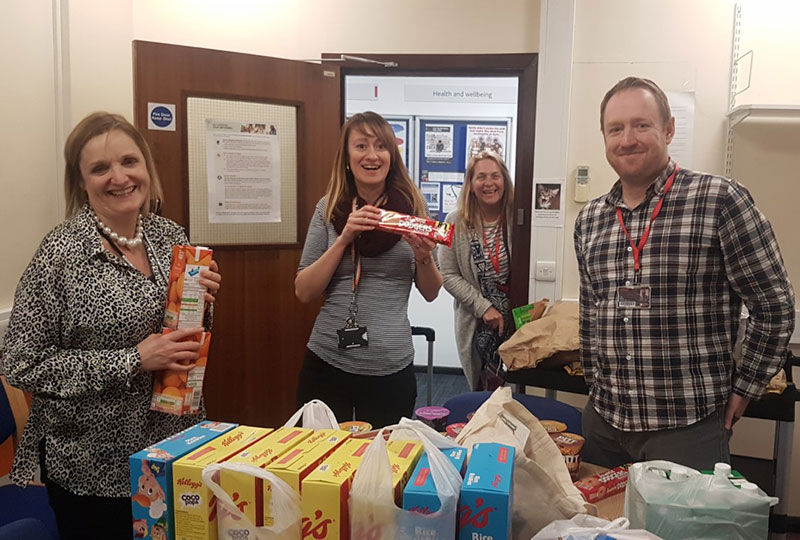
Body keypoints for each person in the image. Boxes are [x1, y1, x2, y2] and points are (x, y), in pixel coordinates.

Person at [0, 112, 222, 540]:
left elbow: (180, 330)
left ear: (147, 168)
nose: (119, 177)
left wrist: (203, 299)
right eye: (100, 168)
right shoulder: (61, 254)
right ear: (81, 181)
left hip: (172, 448)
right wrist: (133, 359)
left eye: (129, 161)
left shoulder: (167, 234)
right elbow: (22, 365)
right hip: (94, 469)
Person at [574, 77, 795, 470]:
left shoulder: (719, 200)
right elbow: (590, 315)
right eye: (616, 128)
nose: (627, 139)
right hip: (604, 426)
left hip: (687, 429)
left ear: (669, 129)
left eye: (641, 125)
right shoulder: (591, 219)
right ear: (605, 137)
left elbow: (774, 306)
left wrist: (745, 388)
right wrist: (594, 385)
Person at [294, 111, 442, 428]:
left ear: (392, 156)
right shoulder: (329, 207)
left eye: (381, 146)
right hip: (328, 361)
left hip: (392, 366)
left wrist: (424, 258)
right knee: (320, 462)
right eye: (361, 146)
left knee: (383, 469)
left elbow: (431, 292)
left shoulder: (413, 210)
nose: (372, 155)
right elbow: (304, 291)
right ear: (347, 158)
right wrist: (344, 238)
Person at [440, 151, 515, 390]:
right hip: (475, 321)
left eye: (495, 176)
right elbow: (447, 274)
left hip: (515, 320)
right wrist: (484, 308)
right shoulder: (453, 220)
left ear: (505, 180)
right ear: (470, 184)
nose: (489, 183)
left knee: (515, 392)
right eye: (481, 177)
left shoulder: (519, 216)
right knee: (482, 390)